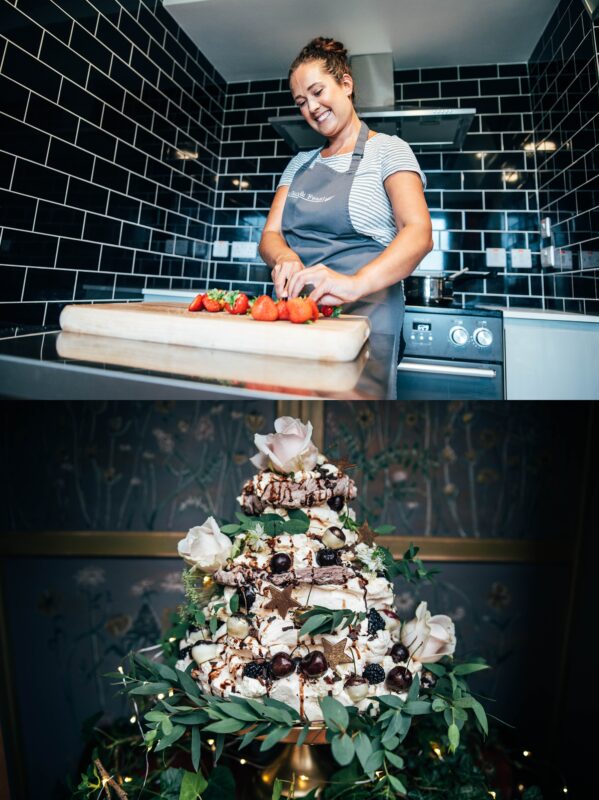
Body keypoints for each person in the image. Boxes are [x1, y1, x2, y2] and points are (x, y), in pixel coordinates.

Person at [258, 36, 433, 368]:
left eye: (317, 92)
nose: (310, 107)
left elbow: (419, 233)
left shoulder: (388, 150)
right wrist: (285, 258)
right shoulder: (299, 164)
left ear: (346, 84)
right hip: (299, 317)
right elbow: (270, 235)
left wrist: (355, 284)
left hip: (368, 318)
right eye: (300, 101)